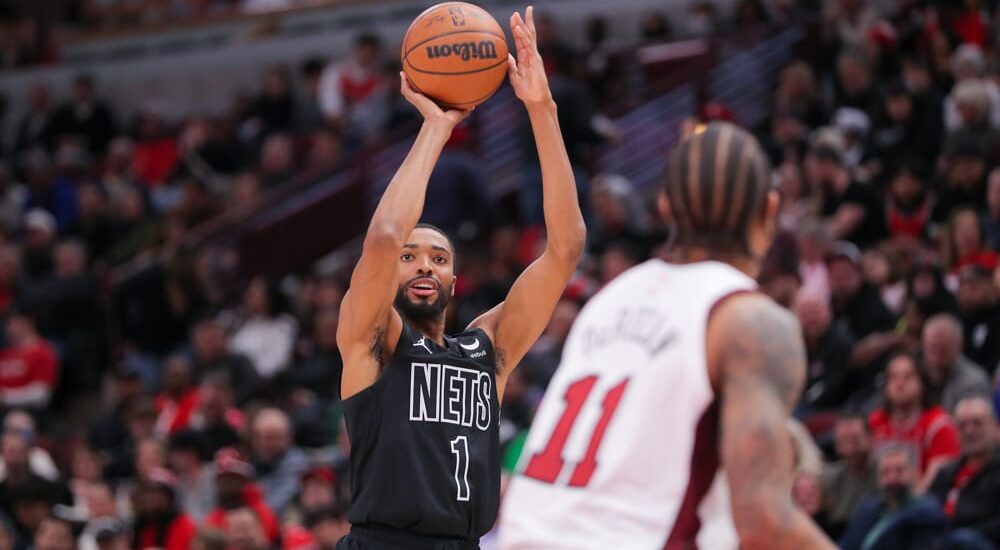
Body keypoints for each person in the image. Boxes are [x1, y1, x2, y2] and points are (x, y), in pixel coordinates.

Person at [501, 120, 833, 548]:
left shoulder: (609, 299)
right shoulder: (750, 320)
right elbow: (763, 521)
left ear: (665, 207)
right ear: (769, 211)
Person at [335, 7, 586, 549]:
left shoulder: (486, 350)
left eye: (439, 258)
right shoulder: (374, 342)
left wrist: (541, 109)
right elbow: (382, 238)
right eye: (412, 257)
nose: (425, 263)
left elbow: (565, 249)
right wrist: (436, 128)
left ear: (455, 281)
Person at [868, 352, 961, 490]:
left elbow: (937, 481)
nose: (900, 384)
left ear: (922, 383)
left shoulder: (939, 426)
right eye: (893, 377)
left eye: (908, 377)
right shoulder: (875, 422)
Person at [838, 444, 949, 550]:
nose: (892, 479)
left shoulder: (926, 515)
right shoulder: (867, 510)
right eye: (885, 472)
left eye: (899, 471)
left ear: (915, 473)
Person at [929, 396, 1000, 548]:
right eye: (962, 425)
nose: (969, 431)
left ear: (996, 429)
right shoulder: (945, 473)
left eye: (977, 423)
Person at [820, 414, 878, 539]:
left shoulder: (886, 475)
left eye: (855, 441)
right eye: (843, 442)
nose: (849, 449)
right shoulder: (828, 478)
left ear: (870, 438)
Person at [921, 314, 992, 412]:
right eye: (933, 348)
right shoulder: (914, 372)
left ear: (959, 345)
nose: (937, 357)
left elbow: (970, 424)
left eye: (944, 349)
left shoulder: (974, 382)